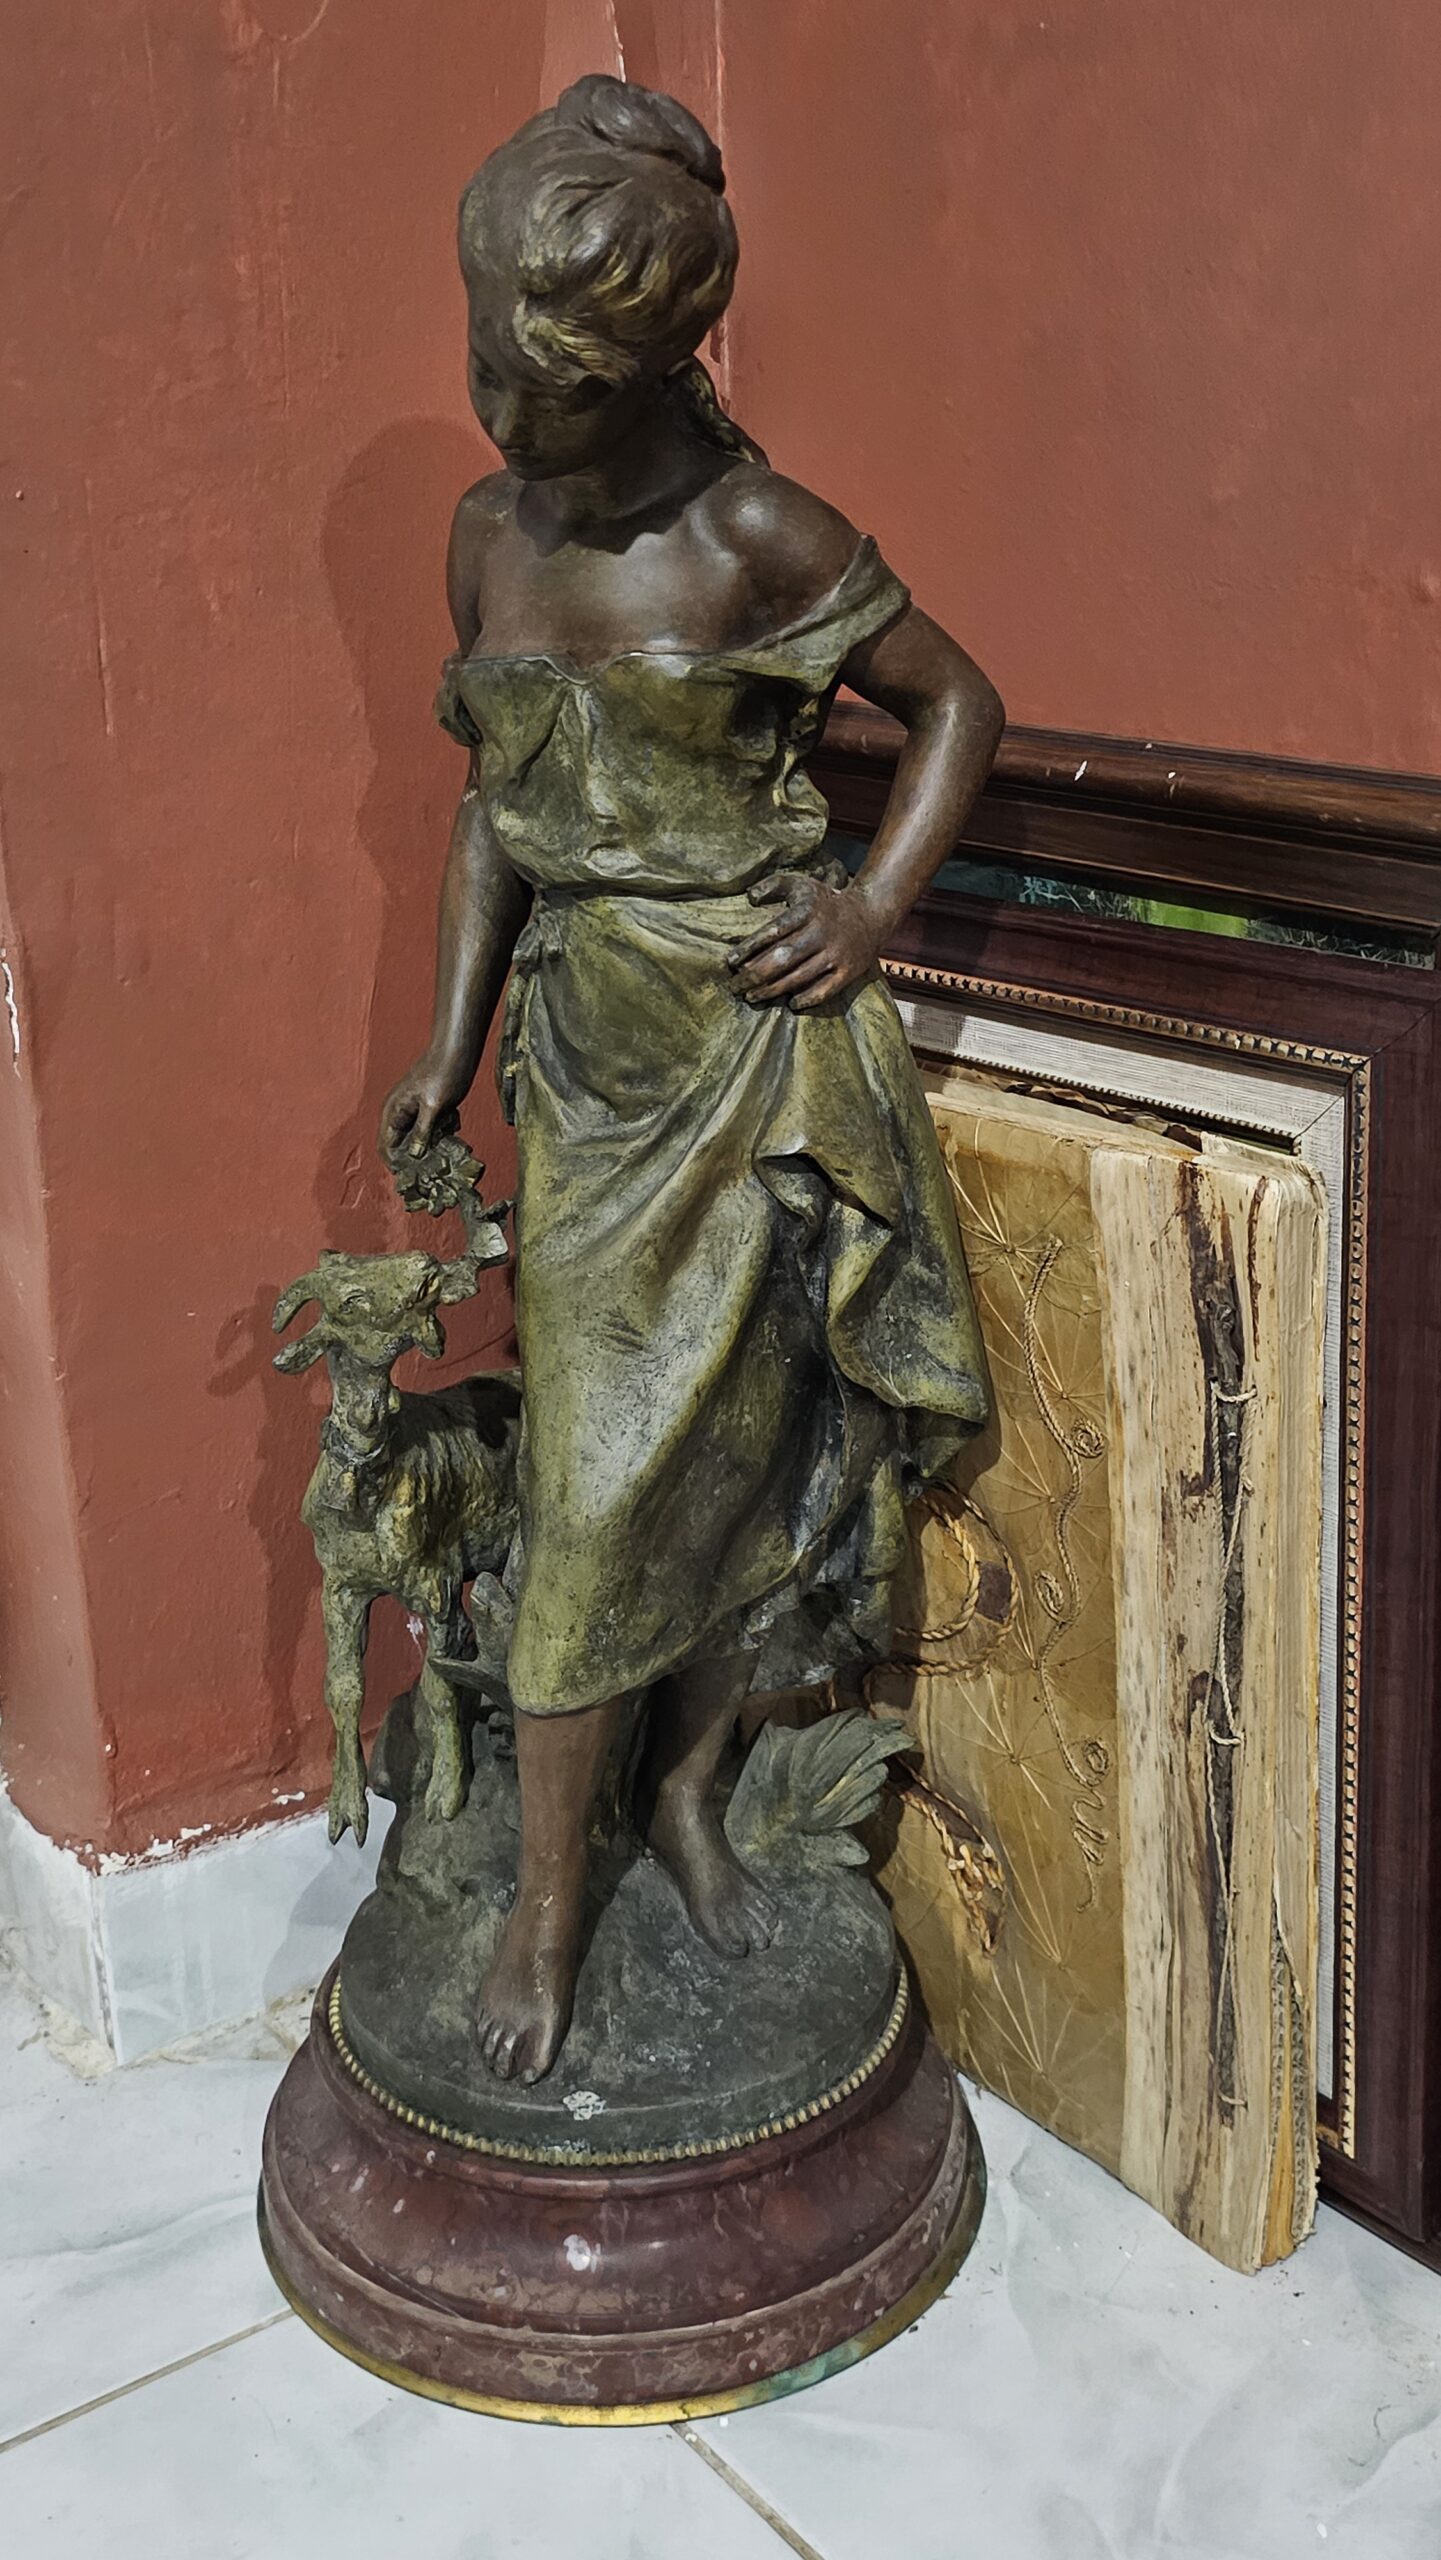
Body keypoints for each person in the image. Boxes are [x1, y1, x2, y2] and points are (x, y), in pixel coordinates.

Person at [379, 76, 1000, 2085]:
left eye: (546, 386)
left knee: (758, 1466)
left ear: (658, 367)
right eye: (485, 363)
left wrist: (872, 909)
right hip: (590, 1069)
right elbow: (496, 806)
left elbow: (955, 701)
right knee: (587, 1482)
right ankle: (544, 1906)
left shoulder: (755, 537)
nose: (502, 415)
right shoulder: (488, 536)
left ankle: (679, 1795)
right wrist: (448, 1040)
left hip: (757, 1057)